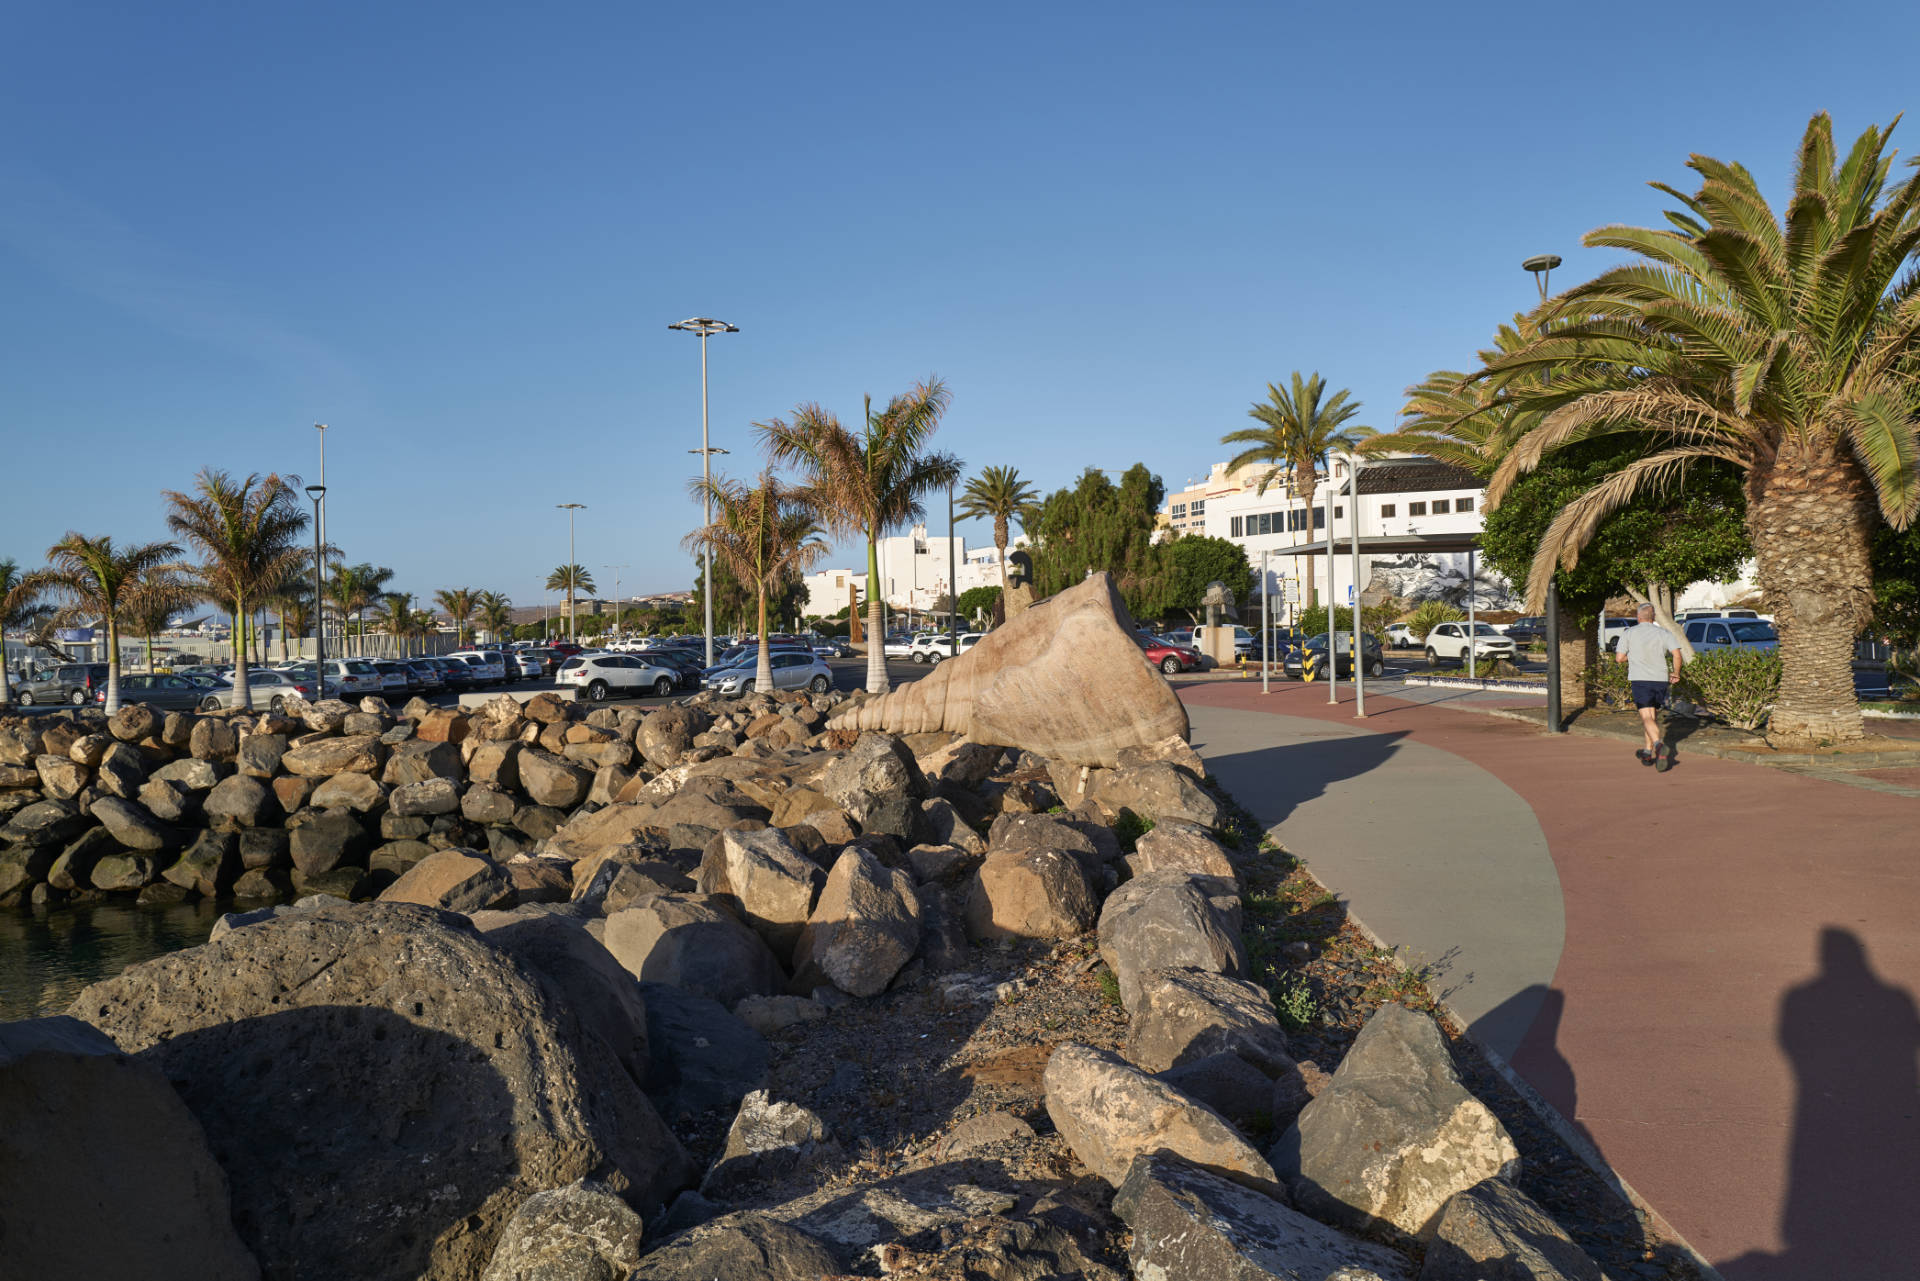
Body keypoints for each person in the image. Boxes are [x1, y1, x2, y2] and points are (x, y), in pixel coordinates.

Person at [1615, 602, 1684, 770]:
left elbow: (1619, 658)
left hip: (1641, 680)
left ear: (1638, 617)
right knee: (1652, 717)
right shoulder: (1663, 633)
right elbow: (1677, 654)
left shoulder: (1629, 633)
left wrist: (1633, 657)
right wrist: (1676, 672)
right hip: (1660, 680)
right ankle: (1647, 752)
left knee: (1646, 717)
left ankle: (1659, 745)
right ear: (1653, 617)